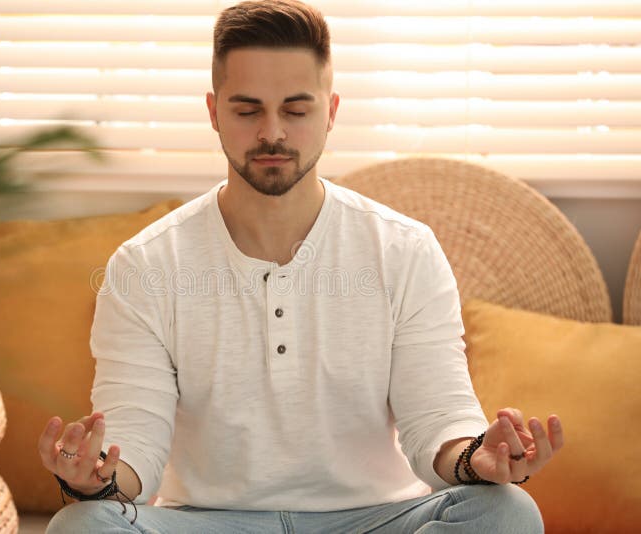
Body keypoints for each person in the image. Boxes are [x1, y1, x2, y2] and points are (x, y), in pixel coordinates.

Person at [39, 1, 564, 532]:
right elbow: (137, 455)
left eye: (296, 110)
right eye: (247, 110)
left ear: (330, 111)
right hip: (209, 522)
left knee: (506, 513)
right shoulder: (144, 265)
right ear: (213, 110)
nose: (273, 133)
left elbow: (437, 420)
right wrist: (94, 480)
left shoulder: (405, 249)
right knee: (81, 525)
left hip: (377, 520)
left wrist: (476, 458)